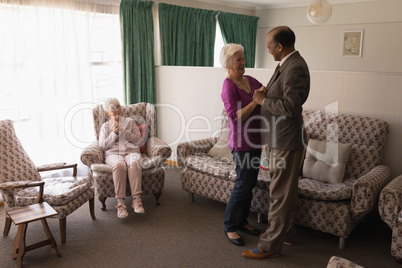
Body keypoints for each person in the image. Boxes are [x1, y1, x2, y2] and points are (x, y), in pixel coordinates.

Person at [242, 26, 310, 259]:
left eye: (270, 47)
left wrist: (261, 100)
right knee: (285, 191)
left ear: (280, 46)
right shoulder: (287, 64)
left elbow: (291, 108)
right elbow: (281, 96)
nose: (269, 51)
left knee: (279, 193)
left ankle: (270, 245)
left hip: (286, 139)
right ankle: (287, 234)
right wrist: (266, 93)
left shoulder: (295, 67)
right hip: (279, 138)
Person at [220, 43, 266, 246]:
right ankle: (230, 225)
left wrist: (264, 94)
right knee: (242, 184)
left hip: (256, 140)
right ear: (229, 63)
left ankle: (242, 220)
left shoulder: (249, 80)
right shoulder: (228, 86)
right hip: (241, 143)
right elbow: (236, 117)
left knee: (250, 184)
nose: (243, 62)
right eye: (239, 59)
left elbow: (265, 91)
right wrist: (256, 101)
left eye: (243, 58)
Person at [99, 98, 145, 218]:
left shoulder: (130, 122)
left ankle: (136, 200)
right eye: (113, 108)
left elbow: (139, 141)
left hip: (131, 151)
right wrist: (114, 133)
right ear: (108, 112)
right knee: (119, 165)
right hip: (113, 154)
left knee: (135, 163)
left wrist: (124, 131)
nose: (117, 109)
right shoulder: (105, 126)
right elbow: (103, 146)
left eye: (118, 106)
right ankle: (121, 203)